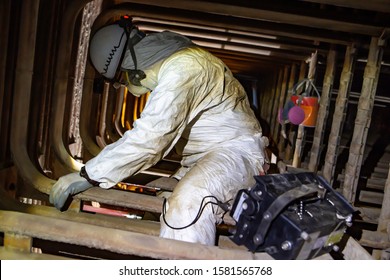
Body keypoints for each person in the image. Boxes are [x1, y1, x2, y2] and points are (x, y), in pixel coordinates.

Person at [50, 16, 268, 246]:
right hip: (209, 156)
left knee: (188, 205)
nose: (126, 86)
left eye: (123, 80)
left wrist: (87, 175)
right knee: (161, 202)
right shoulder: (179, 64)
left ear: (133, 71)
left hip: (234, 154)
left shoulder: (184, 69)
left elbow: (151, 138)